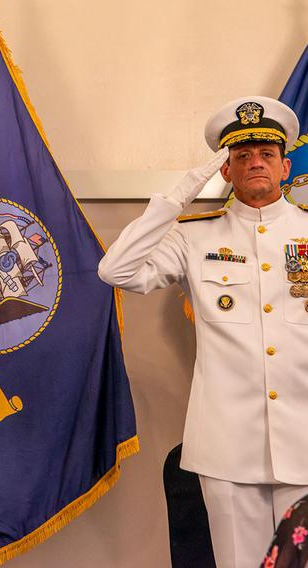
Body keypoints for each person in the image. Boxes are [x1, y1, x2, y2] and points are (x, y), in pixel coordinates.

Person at [98, 96, 308, 568]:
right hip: (228, 448)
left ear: (286, 165)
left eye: (266, 154)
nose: (255, 162)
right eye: (241, 156)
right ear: (227, 171)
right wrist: (179, 195)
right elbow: (116, 270)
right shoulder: (195, 236)